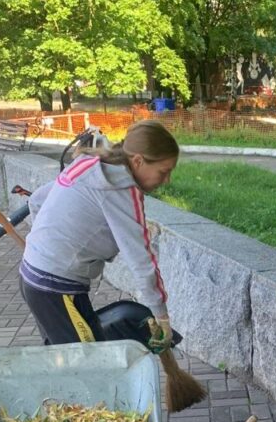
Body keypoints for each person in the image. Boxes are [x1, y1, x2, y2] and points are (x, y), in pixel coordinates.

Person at [19, 119, 178, 350]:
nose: (166, 180)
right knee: (90, 367)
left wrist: (42, 249)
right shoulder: (122, 189)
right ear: (138, 161)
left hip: (32, 279)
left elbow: (37, 200)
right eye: (163, 172)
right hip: (58, 289)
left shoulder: (86, 164)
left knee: (63, 361)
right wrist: (161, 315)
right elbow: (141, 260)